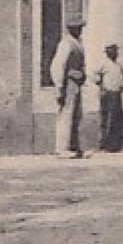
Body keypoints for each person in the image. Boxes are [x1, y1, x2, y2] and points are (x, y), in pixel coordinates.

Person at [50, 20, 87, 158]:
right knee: (66, 114)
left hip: (76, 83)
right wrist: (59, 86)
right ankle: (62, 148)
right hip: (68, 83)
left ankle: (74, 146)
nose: (80, 30)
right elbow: (58, 65)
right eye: (77, 28)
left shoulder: (78, 43)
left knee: (76, 115)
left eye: (80, 28)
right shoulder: (66, 44)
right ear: (71, 29)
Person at [93, 43, 123, 153]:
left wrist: (122, 86)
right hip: (107, 94)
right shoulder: (103, 64)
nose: (115, 53)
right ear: (108, 53)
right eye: (112, 51)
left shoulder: (118, 65)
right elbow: (94, 75)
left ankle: (116, 145)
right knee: (107, 119)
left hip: (117, 94)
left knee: (118, 119)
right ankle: (104, 145)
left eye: (115, 51)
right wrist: (101, 85)